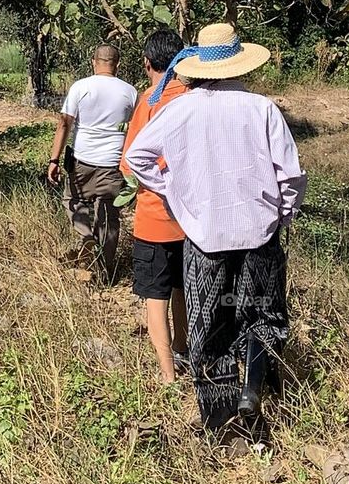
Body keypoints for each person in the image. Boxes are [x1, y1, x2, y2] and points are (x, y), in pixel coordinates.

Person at [124, 22, 307, 435]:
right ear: (240, 65)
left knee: (211, 323)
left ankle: (219, 421)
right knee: (263, 314)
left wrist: (175, 193)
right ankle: (253, 387)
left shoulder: (182, 109)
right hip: (259, 234)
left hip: (204, 239)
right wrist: (283, 213)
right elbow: (291, 176)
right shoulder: (261, 108)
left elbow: (137, 157)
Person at [120, 29, 190, 385]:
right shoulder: (195, 97)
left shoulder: (149, 101)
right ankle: (183, 348)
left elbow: (129, 164)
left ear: (147, 63)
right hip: (192, 222)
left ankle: (167, 373)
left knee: (155, 298)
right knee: (182, 289)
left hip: (153, 219)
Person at [47, 43, 137, 281]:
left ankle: (86, 238)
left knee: (72, 199)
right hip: (113, 164)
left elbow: (64, 123)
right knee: (108, 216)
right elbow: (136, 129)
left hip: (82, 161)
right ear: (117, 64)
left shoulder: (81, 87)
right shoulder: (130, 92)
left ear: (93, 61)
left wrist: (54, 159)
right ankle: (105, 274)